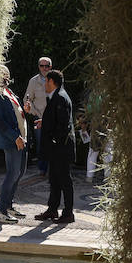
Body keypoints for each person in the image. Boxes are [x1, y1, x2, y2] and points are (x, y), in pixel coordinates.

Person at [34, 68, 77, 224]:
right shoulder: (56, 96)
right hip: (56, 149)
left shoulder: (60, 97)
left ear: (52, 82)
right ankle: (52, 209)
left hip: (62, 148)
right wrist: (44, 123)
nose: (45, 83)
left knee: (65, 181)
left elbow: (63, 126)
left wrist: (53, 141)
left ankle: (68, 213)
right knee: (54, 179)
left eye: (46, 80)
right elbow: (56, 120)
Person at [0, 67, 27, 224]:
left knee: (19, 172)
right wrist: (15, 137)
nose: (6, 76)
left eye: (7, 74)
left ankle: (8, 206)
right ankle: (1, 211)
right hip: (12, 140)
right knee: (12, 173)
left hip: (21, 138)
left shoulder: (8, 91)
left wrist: (26, 109)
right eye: (3, 74)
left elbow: (16, 112)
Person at [23, 57, 53, 176]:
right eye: (42, 66)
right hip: (39, 118)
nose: (44, 68)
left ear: (51, 66)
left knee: (54, 144)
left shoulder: (55, 79)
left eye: (47, 66)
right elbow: (27, 99)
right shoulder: (33, 81)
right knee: (41, 144)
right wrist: (34, 112)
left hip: (54, 118)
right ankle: (42, 168)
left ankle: (53, 168)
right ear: (39, 67)